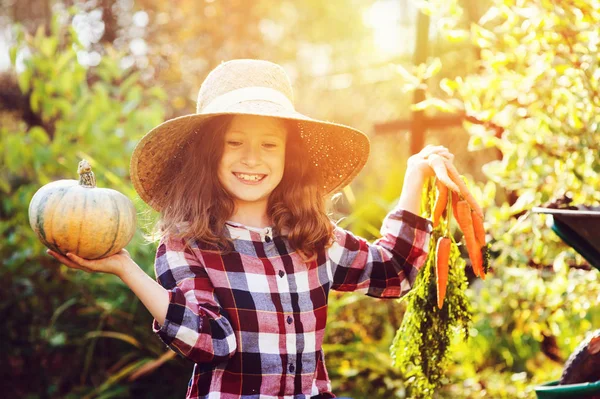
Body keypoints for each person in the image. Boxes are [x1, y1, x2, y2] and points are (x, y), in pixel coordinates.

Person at [47, 59, 455, 399]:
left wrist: (415, 174)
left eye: (269, 144)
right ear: (210, 153)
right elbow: (211, 342)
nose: (252, 159)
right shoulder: (187, 246)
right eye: (235, 142)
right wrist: (127, 270)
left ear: (288, 156)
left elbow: (395, 272)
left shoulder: (311, 237)